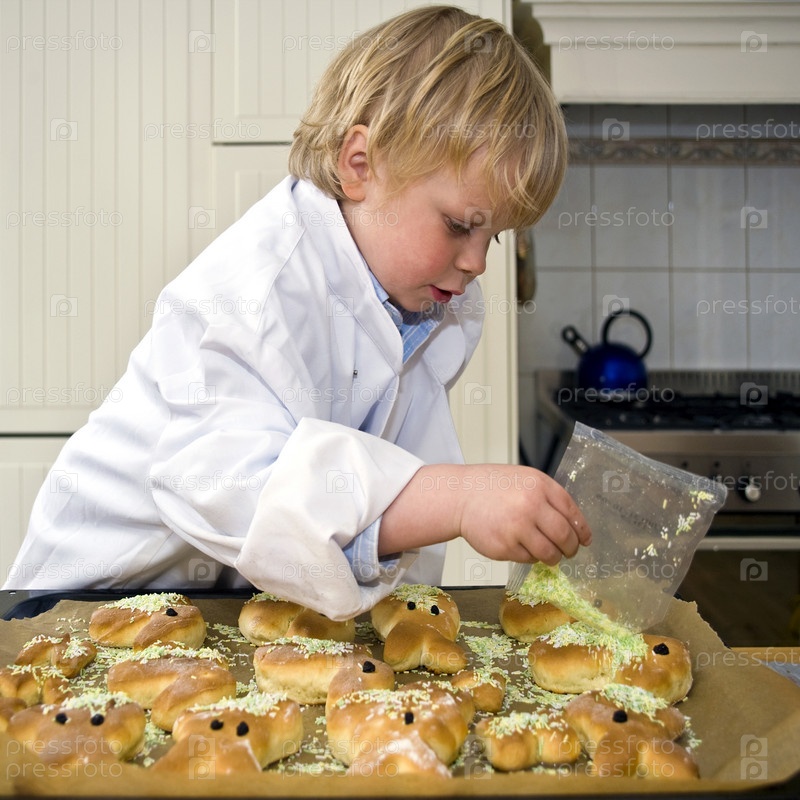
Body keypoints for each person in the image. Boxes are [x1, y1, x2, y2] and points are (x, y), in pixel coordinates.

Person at [5, 5, 590, 618]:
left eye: (494, 235)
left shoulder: (431, 303)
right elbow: (239, 492)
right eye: (459, 225)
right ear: (359, 166)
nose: (477, 262)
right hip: (82, 601)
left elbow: (387, 467)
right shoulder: (258, 289)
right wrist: (459, 499)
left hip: (220, 606)